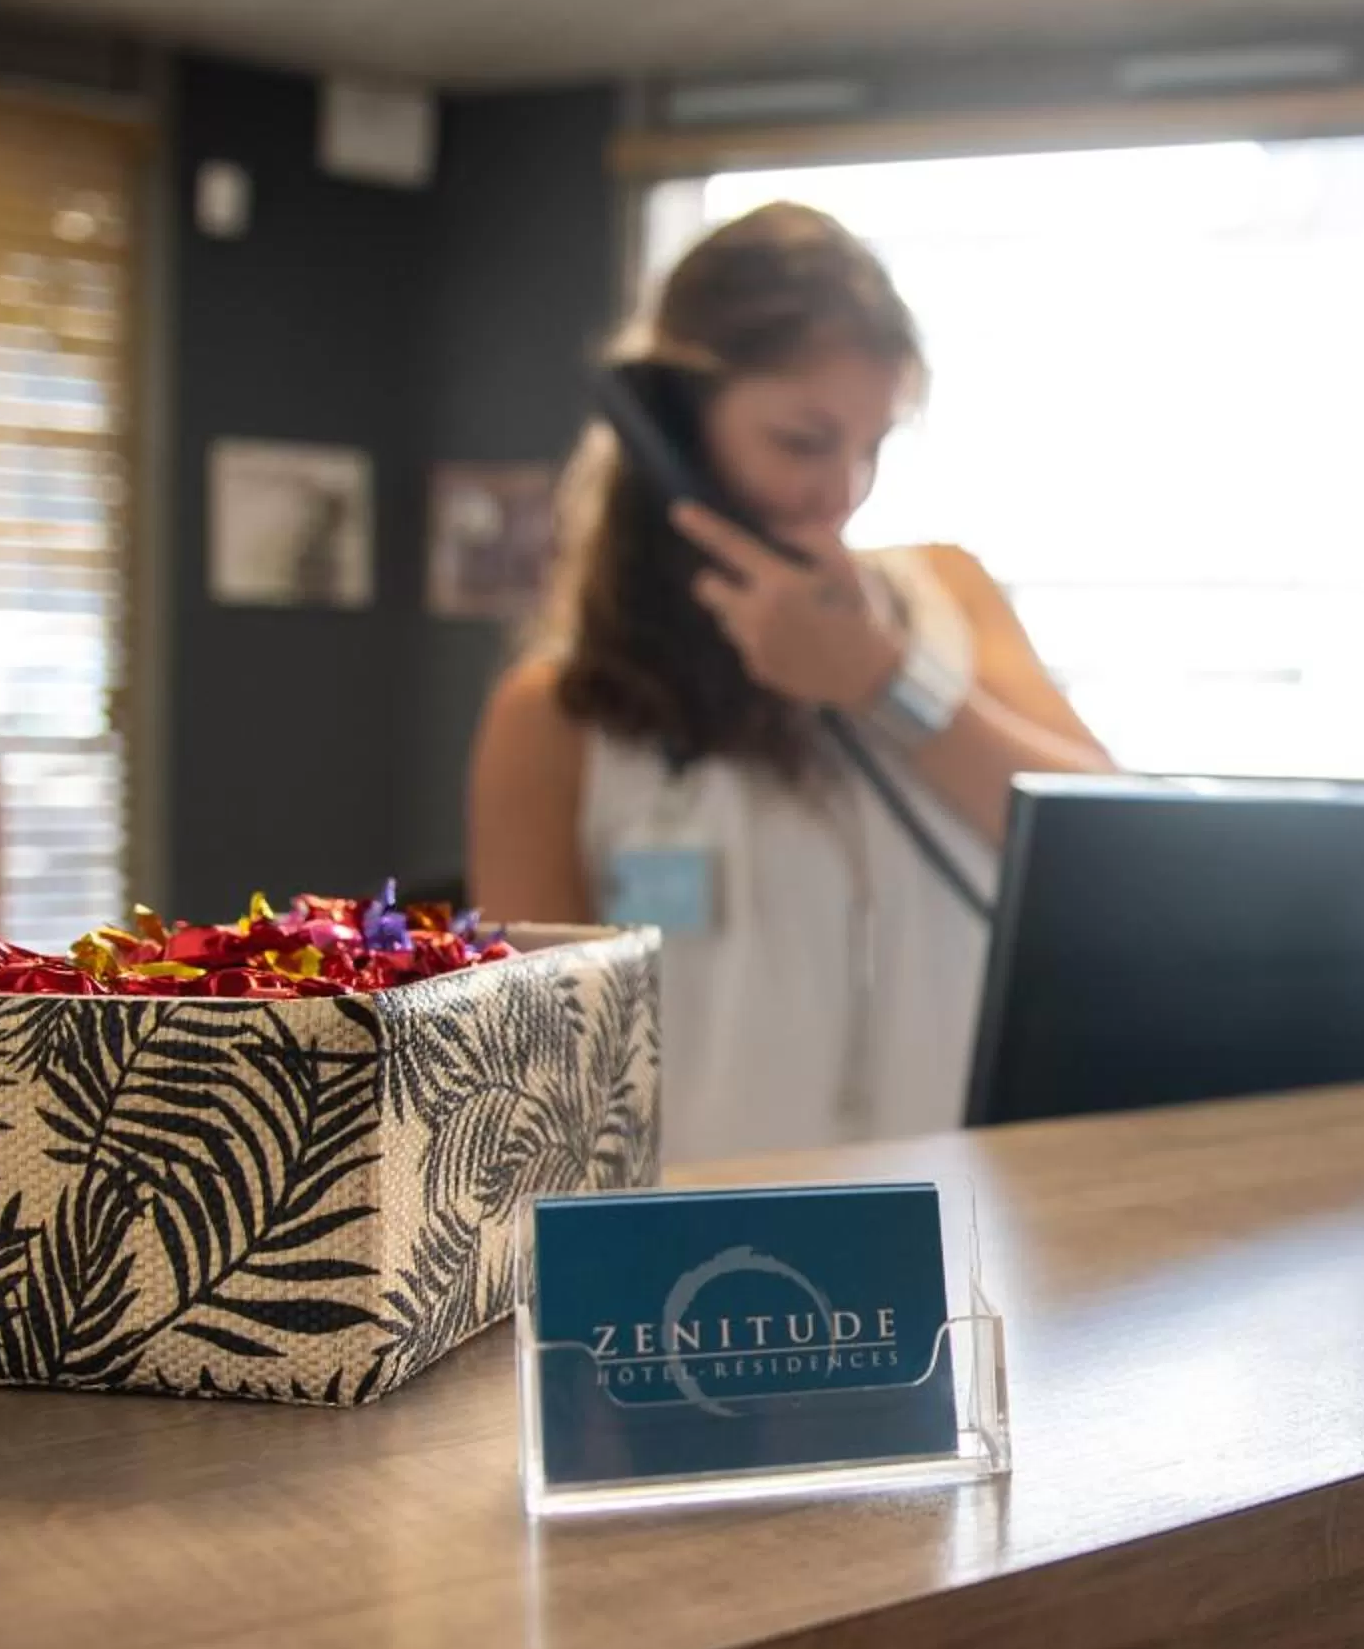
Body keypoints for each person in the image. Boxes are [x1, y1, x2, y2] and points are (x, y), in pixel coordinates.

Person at [469, 203, 1111, 1164]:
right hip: (701, 1261)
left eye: (874, 444)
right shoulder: (555, 715)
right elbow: (533, 1076)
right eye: (804, 442)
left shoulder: (949, 597)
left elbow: (1102, 850)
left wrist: (885, 683)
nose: (845, 489)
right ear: (675, 429)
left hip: (967, 1218)